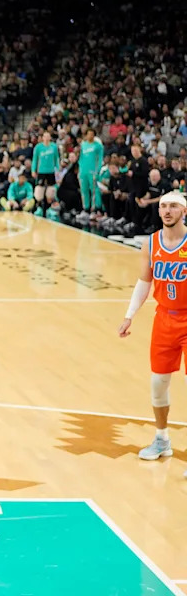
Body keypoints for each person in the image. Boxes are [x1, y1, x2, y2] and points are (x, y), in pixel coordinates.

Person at [118, 191, 187, 479]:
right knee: (158, 384)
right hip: (164, 319)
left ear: (183, 211)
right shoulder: (151, 243)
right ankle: (162, 439)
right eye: (163, 206)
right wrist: (129, 315)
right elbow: (144, 282)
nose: (167, 211)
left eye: (173, 206)